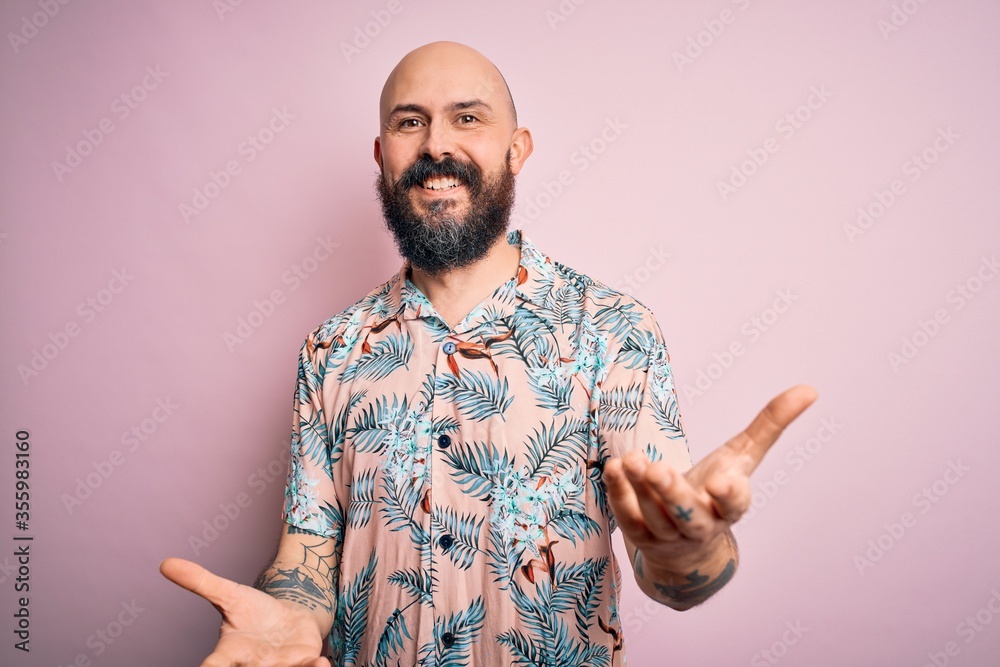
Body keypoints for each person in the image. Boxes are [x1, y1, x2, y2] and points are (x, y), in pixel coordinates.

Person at [160, 41, 818, 666]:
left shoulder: (612, 330)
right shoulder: (330, 351)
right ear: (381, 152)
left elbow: (671, 568)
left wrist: (689, 550)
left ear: (517, 148)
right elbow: (306, 555)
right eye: (410, 121)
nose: (436, 143)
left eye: (466, 117)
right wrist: (290, 612)